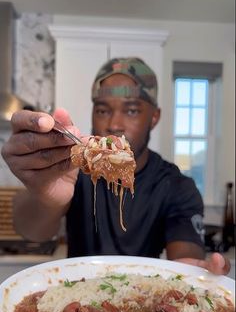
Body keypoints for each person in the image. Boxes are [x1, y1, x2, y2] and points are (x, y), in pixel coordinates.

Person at [1, 57, 230, 274]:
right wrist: (46, 195)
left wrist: (188, 270)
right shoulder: (72, 168)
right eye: (102, 110)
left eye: (131, 110)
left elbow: (185, 254)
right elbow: (30, 231)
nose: (114, 124)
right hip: (75, 300)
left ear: (154, 117)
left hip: (140, 301)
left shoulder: (176, 185)